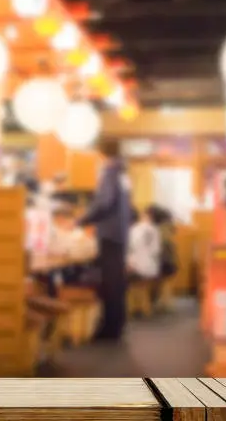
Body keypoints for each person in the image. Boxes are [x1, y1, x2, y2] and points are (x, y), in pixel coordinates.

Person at [76, 140, 132, 341]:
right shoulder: (123, 173)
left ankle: (109, 329)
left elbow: (104, 203)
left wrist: (82, 219)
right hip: (120, 234)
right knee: (116, 282)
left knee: (109, 282)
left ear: (101, 154)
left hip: (109, 233)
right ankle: (117, 324)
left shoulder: (110, 172)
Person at [127, 207, 162, 281]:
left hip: (136, 267)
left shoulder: (135, 229)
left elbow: (130, 248)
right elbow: (156, 250)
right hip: (152, 269)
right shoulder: (156, 230)